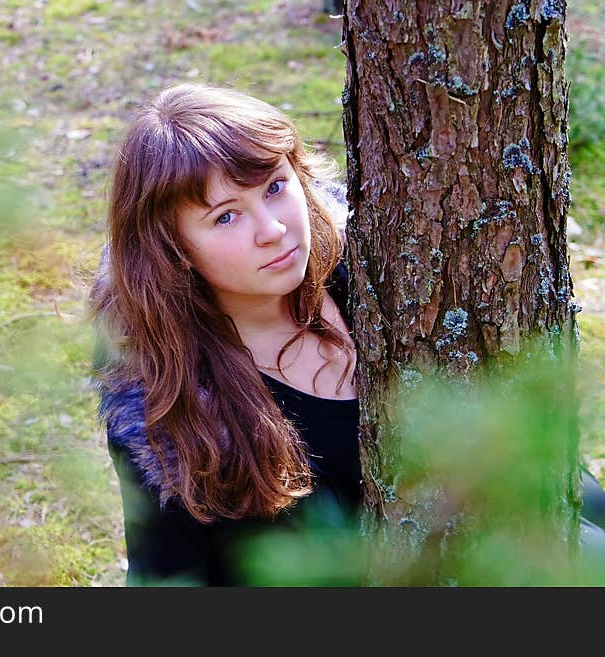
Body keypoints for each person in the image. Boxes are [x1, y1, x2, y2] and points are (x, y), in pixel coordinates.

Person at [89, 83, 605, 586]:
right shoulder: (171, 404)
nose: (272, 228)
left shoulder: (378, 265)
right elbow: (167, 579)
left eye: (274, 186)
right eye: (226, 216)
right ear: (172, 248)